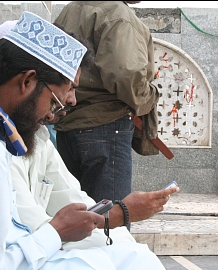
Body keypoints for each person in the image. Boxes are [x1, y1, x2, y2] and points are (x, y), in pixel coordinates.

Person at [0, 11, 175, 270]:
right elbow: (3, 266)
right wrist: (116, 216)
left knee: (139, 261)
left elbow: (74, 202)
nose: (64, 108)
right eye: (55, 102)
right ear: (26, 81)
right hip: (29, 261)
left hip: (37, 254)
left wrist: (113, 227)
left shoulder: (29, 137)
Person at [53, 1, 160, 207]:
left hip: (69, 126)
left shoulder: (72, 8)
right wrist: (149, 96)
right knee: (110, 221)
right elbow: (126, 75)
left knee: (79, 216)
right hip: (106, 126)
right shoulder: (119, 15)